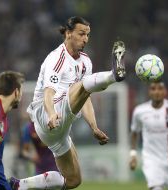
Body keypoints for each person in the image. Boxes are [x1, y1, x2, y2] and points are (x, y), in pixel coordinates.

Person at [10, 16, 126, 190]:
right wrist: (51, 114)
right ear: (68, 33)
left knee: (72, 180)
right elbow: (48, 92)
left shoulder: (86, 61)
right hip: (46, 115)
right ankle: (113, 75)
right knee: (82, 86)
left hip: (60, 130)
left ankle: (20, 185)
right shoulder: (57, 58)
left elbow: (84, 95)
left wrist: (94, 127)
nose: (85, 39)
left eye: (87, 35)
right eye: (81, 34)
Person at [129, 81, 168, 190]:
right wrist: (133, 154)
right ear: (149, 92)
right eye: (153, 89)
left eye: (160, 88)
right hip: (151, 160)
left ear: (165, 91)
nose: (157, 92)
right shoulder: (139, 111)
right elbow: (134, 132)